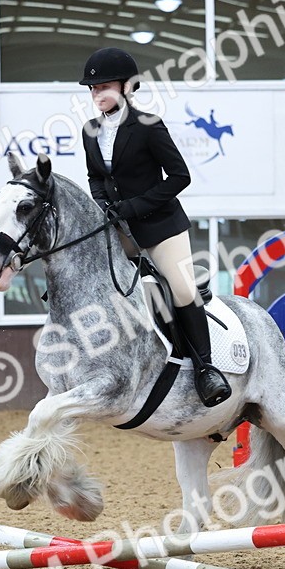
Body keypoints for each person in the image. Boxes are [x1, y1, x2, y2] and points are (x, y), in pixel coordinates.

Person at [79, 47, 231, 408]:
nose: (98, 94)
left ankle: (206, 369)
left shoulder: (148, 125)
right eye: (93, 88)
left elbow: (180, 176)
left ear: (127, 87)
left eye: (105, 86)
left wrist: (132, 206)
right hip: (121, 229)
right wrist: (103, 206)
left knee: (180, 287)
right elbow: (95, 177)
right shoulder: (90, 131)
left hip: (162, 226)